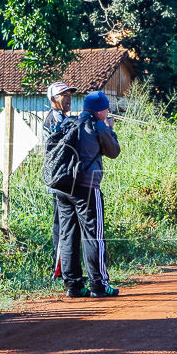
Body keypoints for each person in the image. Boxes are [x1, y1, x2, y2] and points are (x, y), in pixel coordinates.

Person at [57, 91, 121, 298]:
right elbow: (114, 152)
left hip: (63, 187)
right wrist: (110, 129)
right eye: (106, 109)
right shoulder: (98, 125)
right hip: (87, 186)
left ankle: (74, 285)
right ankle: (99, 284)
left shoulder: (71, 122)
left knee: (68, 235)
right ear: (101, 110)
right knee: (94, 235)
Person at [44, 81, 76, 286]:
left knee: (64, 226)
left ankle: (64, 269)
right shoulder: (53, 120)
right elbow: (64, 138)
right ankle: (60, 270)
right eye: (64, 95)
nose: (69, 98)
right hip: (58, 179)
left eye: (70, 95)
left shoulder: (62, 117)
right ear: (54, 99)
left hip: (63, 179)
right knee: (61, 228)